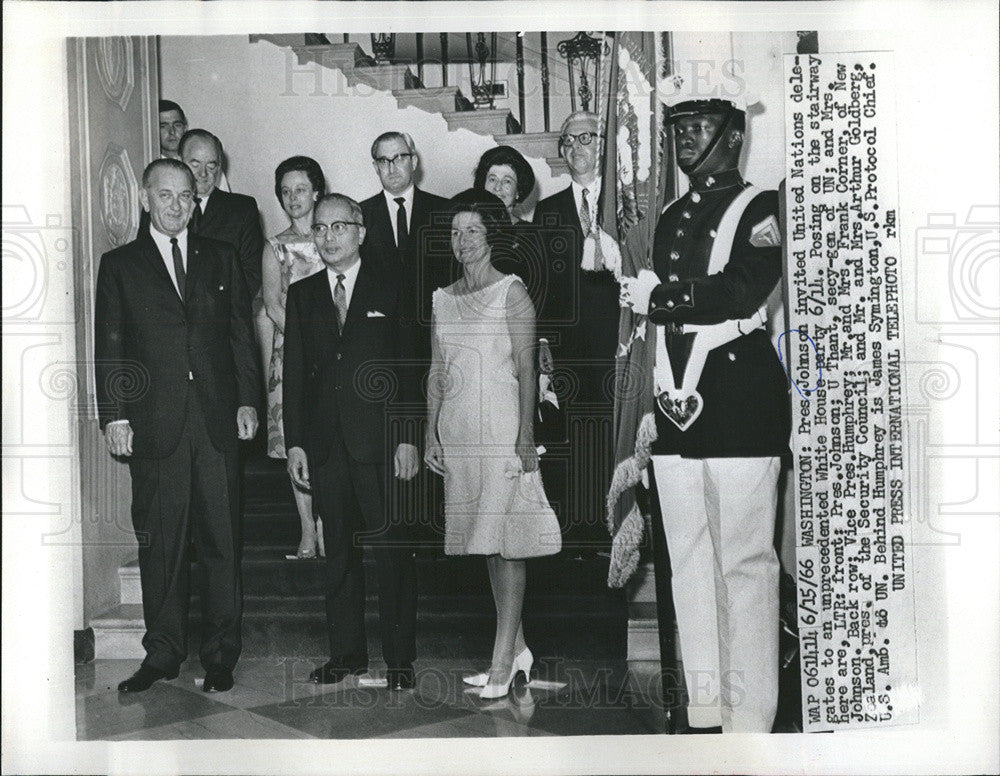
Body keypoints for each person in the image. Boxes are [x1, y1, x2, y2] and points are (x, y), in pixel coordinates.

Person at [619, 76, 790, 733]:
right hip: (677, 406)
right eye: (677, 129)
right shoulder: (669, 215)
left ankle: (750, 724)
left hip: (739, 399)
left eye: (698, 127)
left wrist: (658, 299)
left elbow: (745, 289)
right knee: (688, 562)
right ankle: (707, 708)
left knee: (745, 566)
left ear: (734, 135)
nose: (684, 139)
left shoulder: (762, 205)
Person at [94, 158, 261, 694]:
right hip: (154, 424)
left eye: (185, 195)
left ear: (196, 200)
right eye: (165, 195)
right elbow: (111, 345)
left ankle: (220, 655)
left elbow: (241, 334)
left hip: (214, 420)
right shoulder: (119, 265)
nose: (176, 205)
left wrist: (248, 400)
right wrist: (115, 414)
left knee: (221, 540)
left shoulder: (221, 256)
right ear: (145, 199)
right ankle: (162, 653)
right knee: (161, 544)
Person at [425, 189, 560, 700]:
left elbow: (527, 370)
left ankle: (502, 660)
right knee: (486, 543)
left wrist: (526, 435)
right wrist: (429, 432)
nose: (462, 242)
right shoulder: (441, 297)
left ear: (491, 237)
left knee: (509, 543)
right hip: (459, 434)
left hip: (503, 428)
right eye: (455, 233)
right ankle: (516, 649)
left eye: (473, 232)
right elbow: (436, 372)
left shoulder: (512, 291)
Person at [283, 194, 421, 691]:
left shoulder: (393, 286)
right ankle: (347, 654)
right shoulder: (302, 294)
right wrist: (295, 442)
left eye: (339, 226)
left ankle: (400, 659)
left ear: (361, 232)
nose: (329, 236)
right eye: (320, 229)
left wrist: (408, 437)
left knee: (391, 552)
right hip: (326, 446)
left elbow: (410, 365)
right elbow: (295, 374)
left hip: (382, 443)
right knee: (336, 552)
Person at [532, 111, 621, 552]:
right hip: (568, 349)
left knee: (617, 435)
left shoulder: (627, 204)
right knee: (578, 438)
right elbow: (541, 284)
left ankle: (622, 530)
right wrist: (544, 338)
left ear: (602, 144)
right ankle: (586, 536)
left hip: (621, 341)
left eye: (584, 138)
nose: (575, 149)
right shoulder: (547, 212)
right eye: (566, 142)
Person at [360, 131, 451, 546]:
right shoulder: (359, 217)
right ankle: (402, 536)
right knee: (396, 439)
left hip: (438, 343)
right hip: (384, 351)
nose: (393, 167)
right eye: (384, 160)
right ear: (375, 166)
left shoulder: (445, 211)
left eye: (400, 157)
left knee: (439, 435)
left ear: (414, 160)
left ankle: (437, 537)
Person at [261, 156, 327, 559]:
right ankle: (306, 529)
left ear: (316, 190)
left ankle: (327, 526)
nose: (292, 198)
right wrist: (309, 343)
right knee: (296, 441)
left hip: (334, 356)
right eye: (285, 191)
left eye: (300, 189)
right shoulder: (276, 246)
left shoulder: (335, 236)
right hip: (292, 356)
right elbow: (271, 304)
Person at [158, 100, 229, 191]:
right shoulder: (152, 167)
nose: (172, 132)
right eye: (163, 126)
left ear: (185, 127)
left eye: (177, 125)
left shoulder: (210, 169)